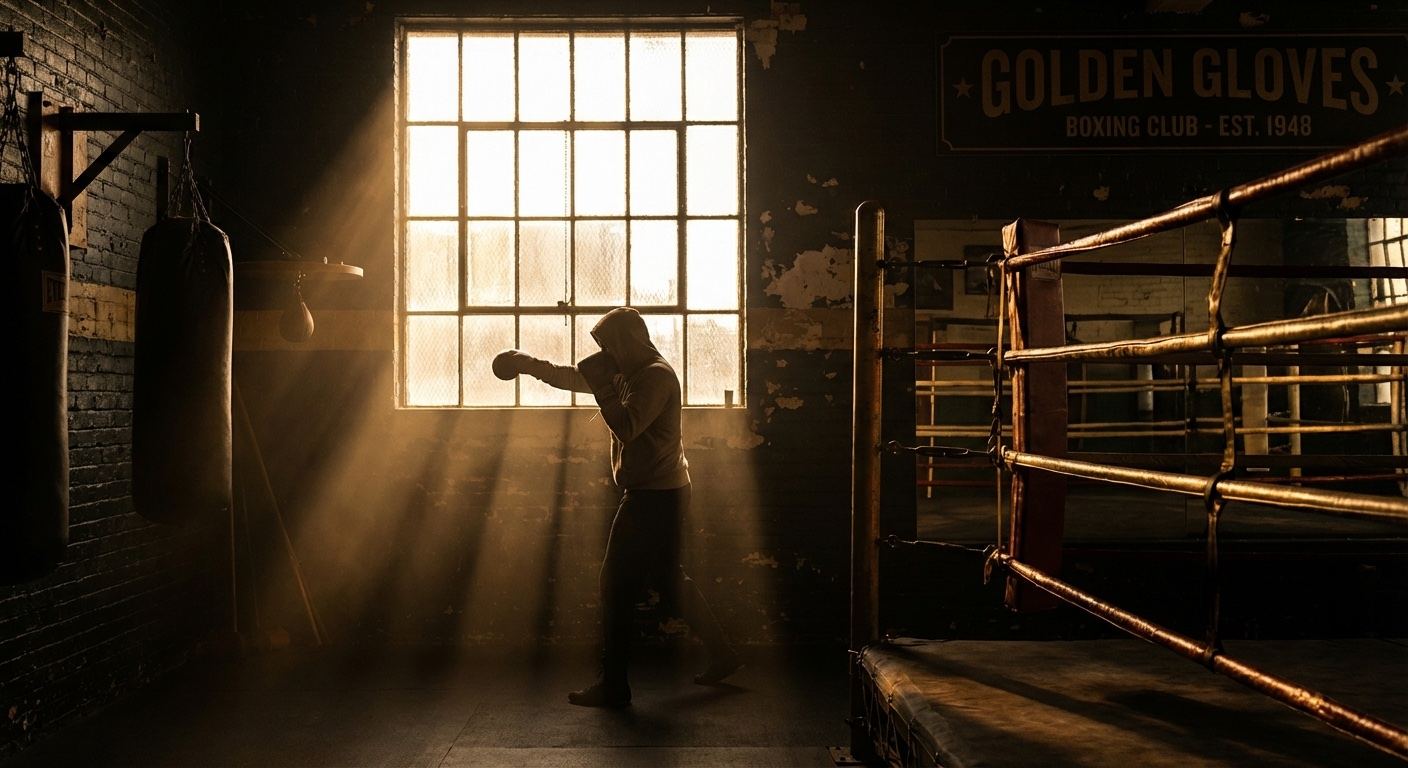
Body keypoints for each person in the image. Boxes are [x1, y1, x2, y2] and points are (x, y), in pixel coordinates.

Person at [492, 307, 740, 708]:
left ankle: (615, 686)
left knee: (614, 584)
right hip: (660, 491)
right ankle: (724, 653)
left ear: (630, 341)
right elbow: (573, 376)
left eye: (609, 344)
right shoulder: (626, 371)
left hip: (655, 496)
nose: (604, 352)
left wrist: (605, 390)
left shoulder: (656, 376)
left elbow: (626, 426)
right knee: (668, 581)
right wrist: (527, 364)